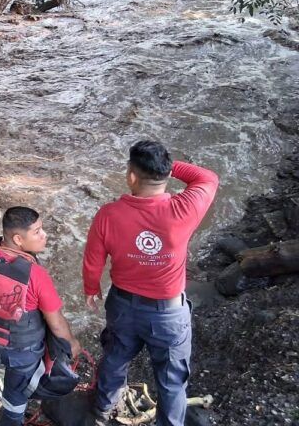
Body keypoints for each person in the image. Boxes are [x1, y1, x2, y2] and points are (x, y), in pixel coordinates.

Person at [82, 141, 219, 426]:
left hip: (123, 306)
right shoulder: (185, 207)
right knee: (171, 380)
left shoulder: (109, 214)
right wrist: (169, 166)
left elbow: (93, 259)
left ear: (131, 175)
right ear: (165, 175)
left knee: (115, 359)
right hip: (168, 314)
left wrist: (91, 288)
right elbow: (207, 177)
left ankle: (102, 411)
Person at [0, 207, 82, 426]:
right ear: (18, 239)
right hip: (21, 353)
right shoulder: (36, 275)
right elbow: (57, 324)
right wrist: (73, 343)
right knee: (15, 401)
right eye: (38, 232)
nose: (45, 235)